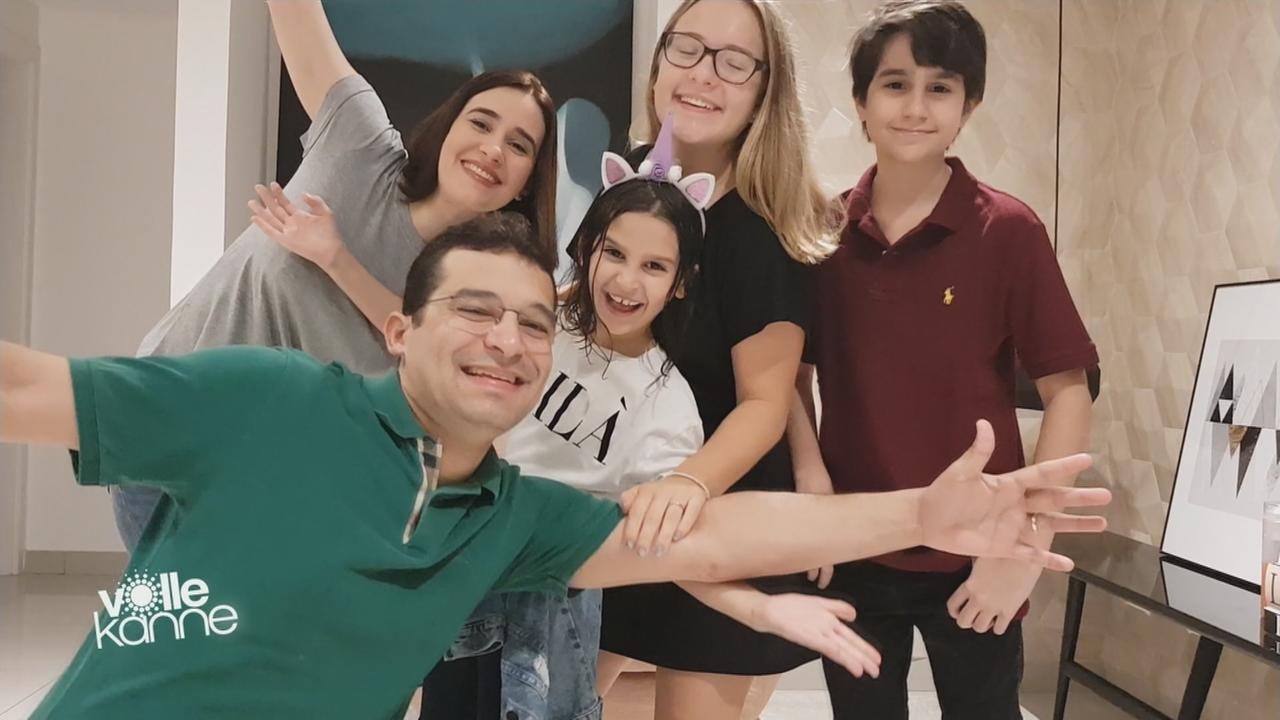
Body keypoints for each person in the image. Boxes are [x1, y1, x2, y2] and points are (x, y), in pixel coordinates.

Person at [1, 211, 1110, 719]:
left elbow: (704, 528)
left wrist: (919, 512)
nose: (508, 341)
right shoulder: (268, 396)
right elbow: (24, 391)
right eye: (475, 311)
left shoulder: (508, 515)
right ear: (400, 330)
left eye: (532, 324)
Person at [258, 136, 882, 720]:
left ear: (681, 283)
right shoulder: (538, 326)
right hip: (465, 569)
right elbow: (421, 335)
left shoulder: (666, 408)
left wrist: (760, 608)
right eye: (614, 253)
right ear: (587, 249)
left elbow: (673, 547)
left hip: (554, 609)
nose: (626, 280)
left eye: (654, 266)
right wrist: (335, 257)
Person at [111, 0, 558, 551]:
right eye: (481, 123)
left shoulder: (477, 292)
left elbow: (417, 342)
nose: (492, 149)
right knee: (185, 607)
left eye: (518, 145)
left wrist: (335, 258)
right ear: (448, 127)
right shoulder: (359, 146)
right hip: (171, 429)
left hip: (282, 491)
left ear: (526, 182)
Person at [790, 3, 1101, 718]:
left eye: (940, 87)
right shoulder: (821, 234)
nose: (915, 107)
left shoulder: (1009, 230)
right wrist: (812, 491)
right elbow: (789, 379)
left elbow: (1069, 391)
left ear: (969, 106)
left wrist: (1023, 548)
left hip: (980, 547)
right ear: (861, 101)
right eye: (895, 84)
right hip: (856, 541)